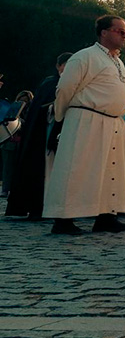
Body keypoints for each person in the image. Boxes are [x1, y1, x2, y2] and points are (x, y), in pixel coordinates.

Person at [43, 15, 125, 235]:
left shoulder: (118, 62)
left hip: (113, 123)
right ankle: (63, 220)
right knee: (76, 169)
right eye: (119, 31)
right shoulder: (85, 57)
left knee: (110, 170)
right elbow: (65, 89)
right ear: (104, 32)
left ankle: (106, 216)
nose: (124, 35)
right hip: (86, 120)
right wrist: (62, 118)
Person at [5, 52, 72, 219]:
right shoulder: (50, 84)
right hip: (42, 134)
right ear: (58, 66)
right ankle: (37, 207)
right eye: (65, 65)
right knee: (40, 172)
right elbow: (43, 108)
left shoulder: (68, 83)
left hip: (55, 133)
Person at [1, 90, 32, 197]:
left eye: (26, 101)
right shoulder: (11, 109)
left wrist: (21, 121)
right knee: (7, 168)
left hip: (22, 141)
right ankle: (5, 189)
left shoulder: (31, 111)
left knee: (20, 167)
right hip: (9, 141)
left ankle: (17, 190)